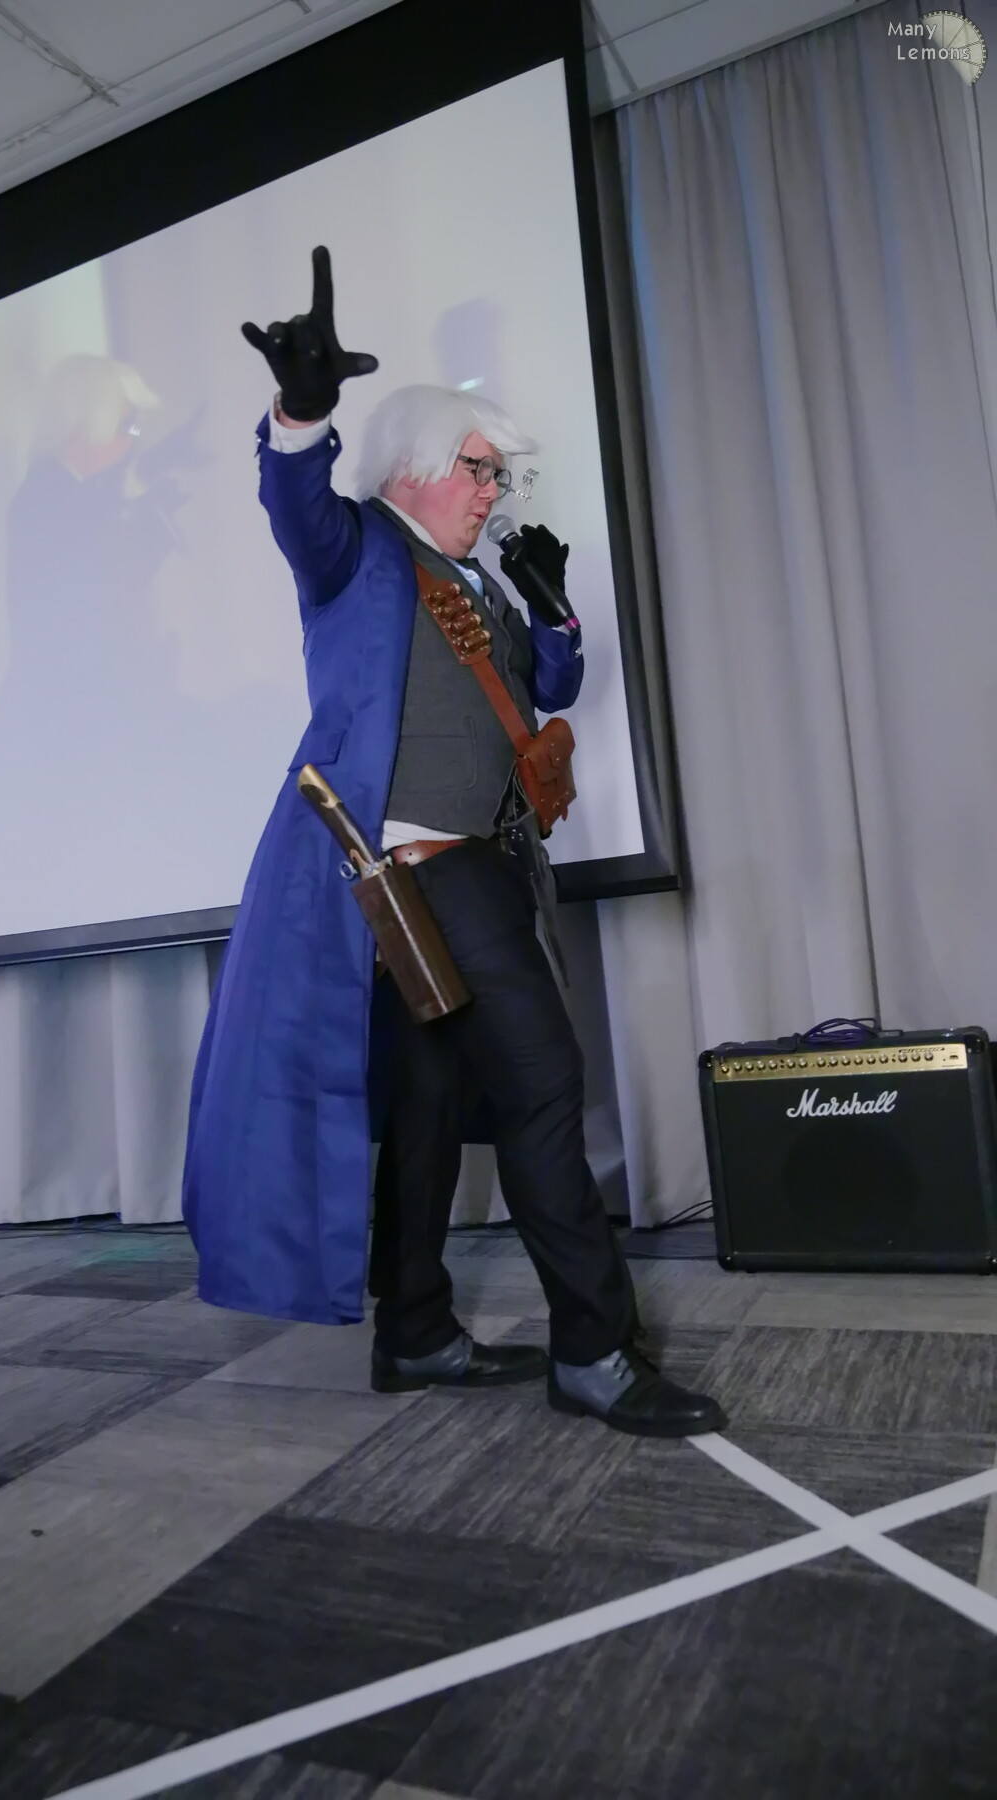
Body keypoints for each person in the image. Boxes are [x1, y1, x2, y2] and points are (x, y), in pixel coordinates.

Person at [182, 250, 725, 1437]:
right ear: (419, 467)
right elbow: (294, 509)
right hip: (423, 868)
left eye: (500, 475)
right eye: (481, 469)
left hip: (483, 867)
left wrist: (554, 606)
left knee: (428, 1103)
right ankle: (595, 1351)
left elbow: (550, 687)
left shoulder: (478, 585)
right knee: (542, 1082)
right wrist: (300, 415)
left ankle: (416, 1333)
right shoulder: (361, 552)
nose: (494, 490)